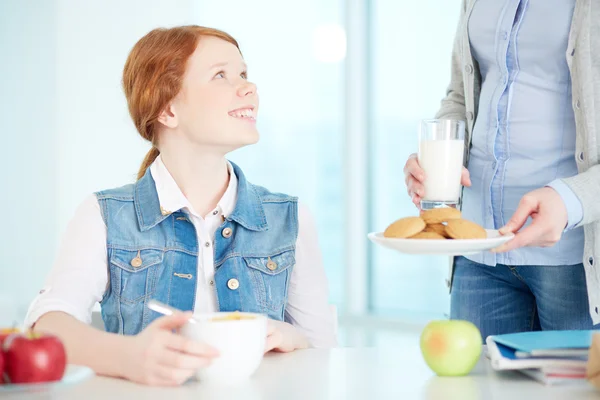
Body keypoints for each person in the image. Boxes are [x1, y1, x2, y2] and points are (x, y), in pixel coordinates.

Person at [24, 25, 337, 386]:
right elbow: (48, 324)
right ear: (168, 110)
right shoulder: (104, 215)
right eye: (220, 75)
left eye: (244, 74)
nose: (248, 87)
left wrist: (293, 338)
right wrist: (128, 357)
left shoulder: (290, 219)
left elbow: (325, 354)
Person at [403, 0, 600, 339]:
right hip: (478, 250)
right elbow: (461, 96)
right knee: (478, 391)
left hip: (573, 258)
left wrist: (571, 200)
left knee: (574, 394)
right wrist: (437, 158)